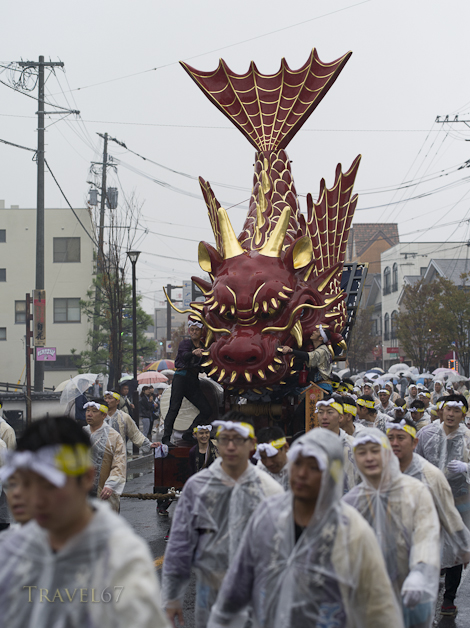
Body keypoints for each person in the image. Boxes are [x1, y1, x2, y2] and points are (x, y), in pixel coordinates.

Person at [207, 428, 404, 628]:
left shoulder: (352, 531)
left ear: (331, 474)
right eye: (298, 463)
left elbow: (380, 610)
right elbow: (238, 583)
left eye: (313, 467)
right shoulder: (268, 516)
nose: (301, 474)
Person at [0, 416, 169, 628]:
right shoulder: (12, 549)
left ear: (87, 477)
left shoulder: (122, 559)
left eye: (50, 484)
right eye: (28, 484)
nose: (37, 499)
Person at [161, 411, 283, 628]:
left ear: (252, 443)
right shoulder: (198, 487)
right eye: (225, 439)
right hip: (210, 593)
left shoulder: (270, 490)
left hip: (259, 596)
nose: (231, 446)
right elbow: (180, 544)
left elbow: (282, 551)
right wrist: (172, 596)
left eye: (238, 439)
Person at [343, 427, 440, 628]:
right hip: (367, 598)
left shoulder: (415, 492)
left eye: (375, 450)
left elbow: (427, 535)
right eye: (362, 452)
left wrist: (420, 572)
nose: (369, 458)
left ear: (387, 453)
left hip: (410, 593)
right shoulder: (350, 503)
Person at [387, 416, 470, 598]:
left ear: (414, 442)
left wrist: (464, 546)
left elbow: (449, 513)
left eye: (401, 438)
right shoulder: (378, 470)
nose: (394, 443)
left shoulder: (431, 474)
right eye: (390, 438)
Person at [415, 394, 470, 616]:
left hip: (460, 501)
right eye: (447, 409)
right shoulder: (425, 433)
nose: (451, 414)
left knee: (456, 547)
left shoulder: (468, 437)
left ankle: (448, 597)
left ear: (463, 414)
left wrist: (467, 468)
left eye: (456, 410)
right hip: (427, 499)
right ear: (440, 411)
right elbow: (412, 460)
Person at [162, 320, 212, 446]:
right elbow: (184, 356)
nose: (194, 332)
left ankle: (189, 433)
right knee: (174, 408)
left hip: (193, 381)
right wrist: (193, 353)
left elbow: (205, 367)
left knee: (206, 409)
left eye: (197, 329)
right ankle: (166, 438)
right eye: (192, 329)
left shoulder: (203, 346)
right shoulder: (185, 343)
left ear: (201, 331)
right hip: (181, 378)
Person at [83, 399, 127, 513]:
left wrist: (111, 484)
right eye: (87, 410)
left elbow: (119, 464)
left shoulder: (114, 437)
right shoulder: (80, 434)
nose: (89, 414)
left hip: (104, 491)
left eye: (94, 411)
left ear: (104, 415)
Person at [278, 323, 344, 393]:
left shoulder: (322, 351)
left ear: (321, 338)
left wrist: (291, 350)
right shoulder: (319, 349)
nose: (313, 332)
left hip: (322, 388)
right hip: (318, 386)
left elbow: (308, 356)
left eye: (317, 331)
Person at [316, 396, 359, 493]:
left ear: (341, 417)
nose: (324, 417)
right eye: (321, 412)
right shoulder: (309, 445)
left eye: (330, 412)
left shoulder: (353, 445)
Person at [253, 425, 290, 490]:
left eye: (273, 456)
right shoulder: (257, 472)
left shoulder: (299, 469)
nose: (268, 463)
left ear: (286, 447)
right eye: (263, 457)